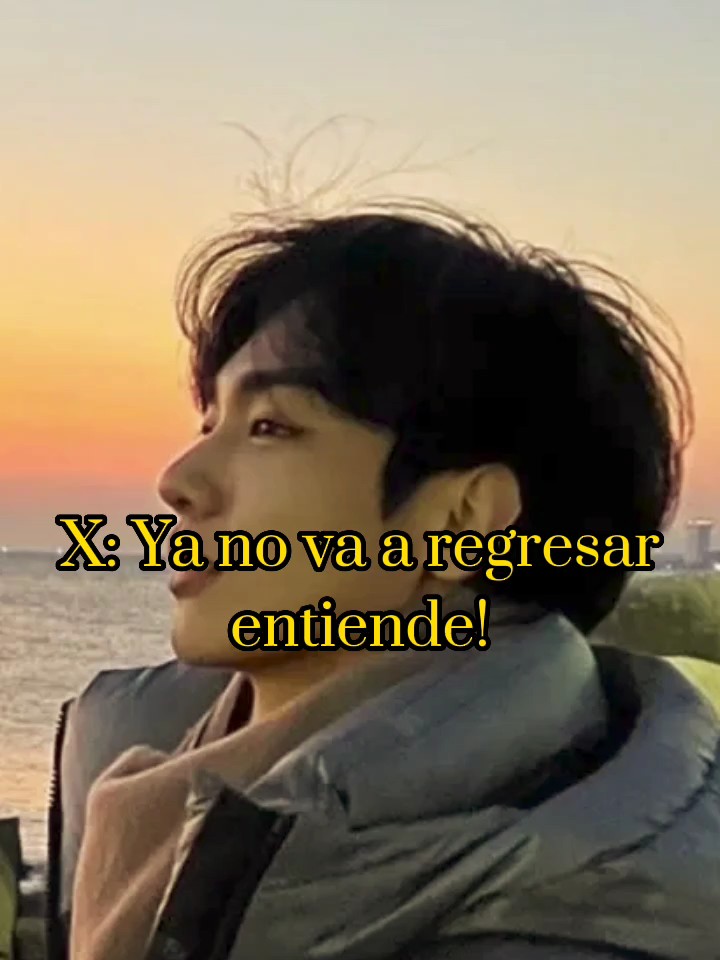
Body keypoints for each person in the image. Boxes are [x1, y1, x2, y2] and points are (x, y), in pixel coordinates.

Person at [49, 200, 720, 960]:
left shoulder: (582, 919)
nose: (178, 481)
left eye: (270, 426)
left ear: (461, 518)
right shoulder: (145, 757)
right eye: (210, 426)